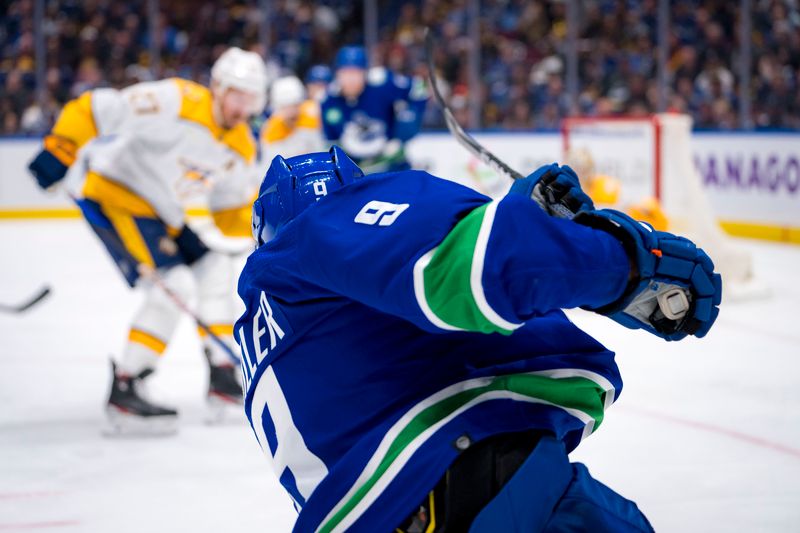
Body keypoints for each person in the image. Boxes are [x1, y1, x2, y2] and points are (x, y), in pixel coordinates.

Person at [235, 148, 722, 531]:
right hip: (454, 488)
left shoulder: (274, 324)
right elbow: (477, 270)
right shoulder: (323, 227)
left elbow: (426, 336)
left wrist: (529, 224)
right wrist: (626, 265)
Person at [28, 47, 268, 432]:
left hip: (165, 214)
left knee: (215, 266)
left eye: (251, 98)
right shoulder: (178, 100)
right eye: (236, 94)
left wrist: (266, 228)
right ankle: (128, 383)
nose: (242, 107)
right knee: (174, 285)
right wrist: (62, 147)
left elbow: (229, 211)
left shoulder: (241, 147)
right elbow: (97, 107)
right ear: (218, 87)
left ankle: (222, 377)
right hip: (115, 194)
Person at [320, 46, 427, 173]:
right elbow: (331, 140)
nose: (351, 79)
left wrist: (406, 125)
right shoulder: (329, 99)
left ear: (365, 72)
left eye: (356, 73)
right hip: (355, 170)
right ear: (337, 73)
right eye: (345, 73)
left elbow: (419, 88)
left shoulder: (382, 83)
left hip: (390, 164)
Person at [260, 75, 326, 163]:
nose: (292, 112)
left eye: (295, 105)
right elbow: (270, 166)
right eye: (286, 107)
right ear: (278, 108)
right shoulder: (270, 131)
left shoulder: (312, 118)